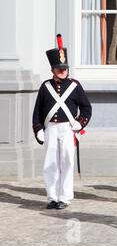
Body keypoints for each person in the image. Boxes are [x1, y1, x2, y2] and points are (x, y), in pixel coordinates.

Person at [32, 34, 92, 210]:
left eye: (65, 69)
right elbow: (37, 112)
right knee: (50, 163)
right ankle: (52, 196)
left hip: (67, 129)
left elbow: (87, 108)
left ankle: (64, 198)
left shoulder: (75, 86)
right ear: (52, 70)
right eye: (59, 69)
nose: (63, 72)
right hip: (50, 128)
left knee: (66, 162)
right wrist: (38, 130)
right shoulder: (45, 87)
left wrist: (80, 123)